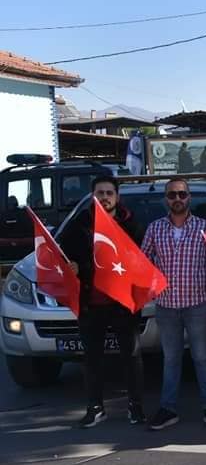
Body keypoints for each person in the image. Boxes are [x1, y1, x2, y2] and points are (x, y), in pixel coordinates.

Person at [60, 175, 146, 428]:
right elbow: (62, 253)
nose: (105, 197)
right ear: (93, 196)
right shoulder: (79, 224)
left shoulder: (131, 224)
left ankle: (136, 407)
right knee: (92, 359)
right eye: (100, 193)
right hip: (91, 303)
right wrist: (71, 266)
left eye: (109, 193)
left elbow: (140, 258)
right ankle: (95, 407)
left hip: (122, 302)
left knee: (131, 356)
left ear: (117, 197)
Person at [141, 177, 206, 430]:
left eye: (182, 194)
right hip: (166, 307)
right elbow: (142, 265)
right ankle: (168, 409)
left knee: (202, 357)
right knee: (171, 359)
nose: (177, 199)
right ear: (165, 199)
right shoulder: (154, 229)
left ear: (189, 197)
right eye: (172, 195)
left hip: (197, 305)